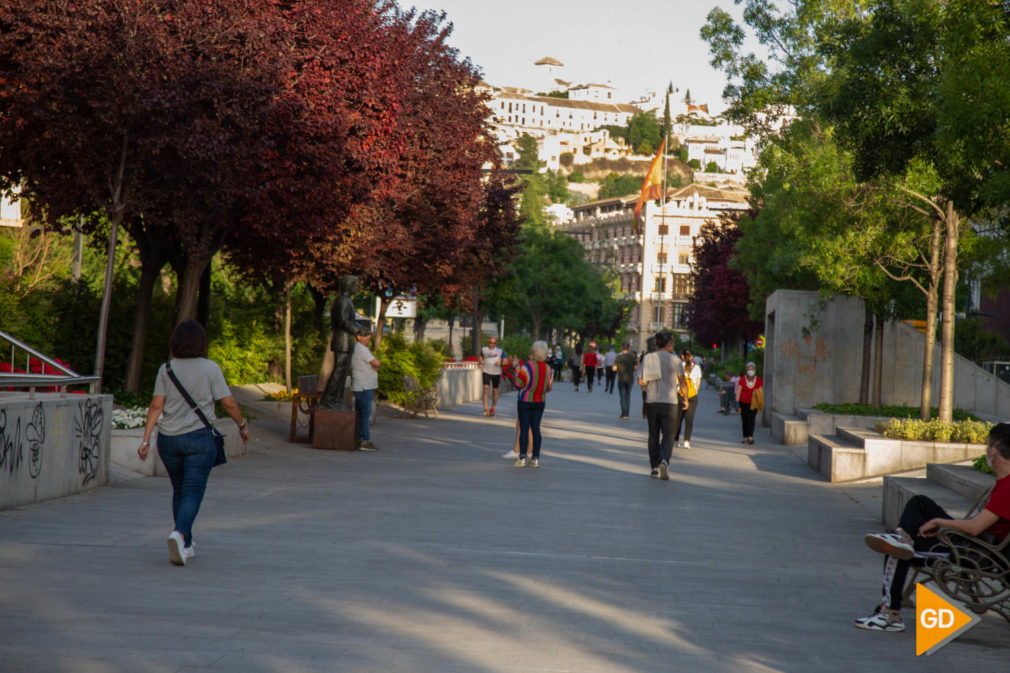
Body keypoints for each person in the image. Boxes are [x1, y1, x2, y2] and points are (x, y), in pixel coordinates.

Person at [854, 423, 1010, 632]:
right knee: (920, 503)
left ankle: (890, 615)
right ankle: (902, 536)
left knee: (895, 550)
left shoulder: (1007, 487)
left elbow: (974, 527)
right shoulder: (1004, 483)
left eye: (987, 445)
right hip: (973, 544)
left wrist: (939, 523)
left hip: (971, 552)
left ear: (993, 451)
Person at [137, 320, 250, 566]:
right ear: (201, 342)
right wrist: (241, 426)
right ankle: (179, 534)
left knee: (180, 490)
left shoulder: (165, 369)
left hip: (169, 440)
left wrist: (145, 439)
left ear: (175, 342)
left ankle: (185, 544)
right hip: (199, 439)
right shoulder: (211, 368)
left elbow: (157, 405)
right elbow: (228, 402)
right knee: (194, 491)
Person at [638, 332, 688, 481]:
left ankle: (654, 467)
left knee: (653, 434)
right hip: (670, 402)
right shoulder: (676, 360)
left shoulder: (648, 358)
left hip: (652, 401)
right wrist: (685, 399)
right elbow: (683, 382)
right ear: (668, 344)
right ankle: (664, 461)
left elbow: (641, 382)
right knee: (668, 434)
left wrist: (652, 381)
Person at [503, 341, 554, 468]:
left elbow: (517, 385)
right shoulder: (549, 369)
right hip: (540, 401)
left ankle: (522, 458)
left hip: (525, 400)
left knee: (524, 429)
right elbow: (548, 388)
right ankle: (535, 458)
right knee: (536, 429)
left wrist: (516, 369)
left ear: (533, 352)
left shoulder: (527, 366)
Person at [320, 274, 360, 410]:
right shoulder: (342, 301)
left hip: (347, 342)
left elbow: (351, 322)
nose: (357, 288)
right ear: (349, 286)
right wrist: (357, 331)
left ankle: (336, 399)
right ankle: (329, 400)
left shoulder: (347, 300)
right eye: (355, 285)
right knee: (338, 372)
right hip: (341, 342)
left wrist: (361, 329)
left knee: (342, 373)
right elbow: (343, 321)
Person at [351, 327, 381, 451]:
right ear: (359, 337)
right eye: (366, 336)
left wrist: (374, 366)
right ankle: (364, 440)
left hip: (363, 385)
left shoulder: (360, 349)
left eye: (368, 336)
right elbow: (377, 363)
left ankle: (358, 438)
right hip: (364, 386)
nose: (368, 338)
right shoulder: (361, 349)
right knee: (365, 415)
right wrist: (374, 365)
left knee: (361, 414)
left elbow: (375, 365)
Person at [673, 348, 701, 448]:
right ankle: (687, 441)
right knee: (689, 419)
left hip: (680, 395)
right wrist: (694, 392)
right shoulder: (696, 368)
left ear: (682, 356)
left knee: (678, 419)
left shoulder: (679, 367)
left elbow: (676, 381)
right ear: (692, 356)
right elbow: (698, 383)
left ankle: (676, 439)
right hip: (692, 396)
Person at [735, 362, 762, 444]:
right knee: (744, 420)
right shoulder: (743, 379)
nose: (750, 371)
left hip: (754, 404)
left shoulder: (758, 380)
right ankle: (745, 437)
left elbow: (761, 392)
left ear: (755, 370)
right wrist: (737, 403)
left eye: (752, 369)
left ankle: (750, 436)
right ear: (746, 370)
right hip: (743, 403)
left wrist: (757, 394)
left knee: (751, 419)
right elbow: (739, 391)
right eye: (749, 369)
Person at [479, 336, 504, 417]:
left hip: (496, 373)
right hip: (486, 371)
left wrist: (501, 363)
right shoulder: (484, 349)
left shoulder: (500, 351)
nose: (491, 344)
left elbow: (506, 360)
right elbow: (480, 356)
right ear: (488, 342)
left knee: (495, 391)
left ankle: (493, 407)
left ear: (496, 344)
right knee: (486, 388)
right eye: (490, 342)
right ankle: (486, 409)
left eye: (493, 343)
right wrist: (480, 363)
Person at [614, 342, 637, 419]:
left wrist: (618, 368)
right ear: (628, 348)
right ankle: (627, 413)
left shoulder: (618, 357)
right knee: (628, 396)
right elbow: (636, 367)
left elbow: (614, 368)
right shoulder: (632, 357)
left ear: (622, 348)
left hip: (621, 378)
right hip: (630, 378)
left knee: (622, 396)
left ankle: (624, 413)